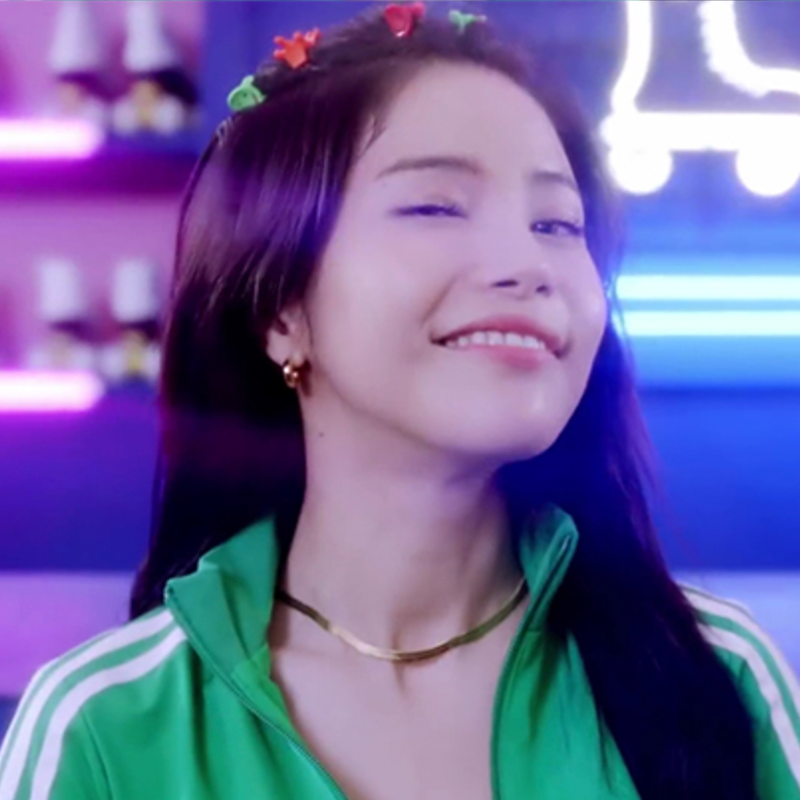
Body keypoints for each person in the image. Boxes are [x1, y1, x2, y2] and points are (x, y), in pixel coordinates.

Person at [2, 5, 798, 800]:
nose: (527, 263)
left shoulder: (719, 679)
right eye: (435, 207)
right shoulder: (106, 729)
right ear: (281, 311)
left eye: (557, 223)